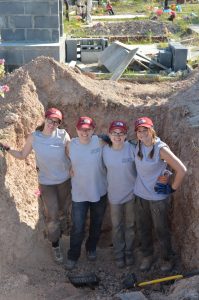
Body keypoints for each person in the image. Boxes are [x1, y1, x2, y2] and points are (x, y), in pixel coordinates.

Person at [0, 108, 71, 264]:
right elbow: (22, 155)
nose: (53, 124)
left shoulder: (63, 135)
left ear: (59, 123)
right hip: (46, 183)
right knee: (52, 215)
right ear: (45, 119)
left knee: (64, 211)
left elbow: (71, 153)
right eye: (50, 120)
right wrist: (8, 148)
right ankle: (55, 244)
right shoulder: (34, 137)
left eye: (56, 122)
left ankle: (63, 233)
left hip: (65, 181)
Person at [133, 117, 187, 272]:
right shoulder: (137, 145)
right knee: (143, 228)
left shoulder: (160, 149)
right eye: (139, 131)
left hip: (157, 199)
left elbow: (182, 170)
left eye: (145, 130)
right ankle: (147, 256)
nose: (142, 133)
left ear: (152, 130)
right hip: (140, 195)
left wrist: (172, 189)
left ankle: (166, 259)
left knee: (161, 230)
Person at [65, 116, 107, 270]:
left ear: (93, 130)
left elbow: (116, 144)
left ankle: (91, 248)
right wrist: (69, 166)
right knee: (78, 226)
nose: (85, 132)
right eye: (82, 129)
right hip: (79, 194)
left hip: (100, 191)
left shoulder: (100, 142)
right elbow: (65, 157)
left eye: (88, 129)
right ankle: (73, 255)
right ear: (76, 130)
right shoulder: (71, 145)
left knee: (96, 224)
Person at [102, 121, 136, 268]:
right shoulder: (104, 150)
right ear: (109, 135)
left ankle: (128, 252)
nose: (117, 136)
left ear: (125, 135)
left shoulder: (132, 148)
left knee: (130, 225)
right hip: (114, 195)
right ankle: (118, 254)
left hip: (132, 194)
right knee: (116, 226)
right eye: (114, 133)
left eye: (121, 133)